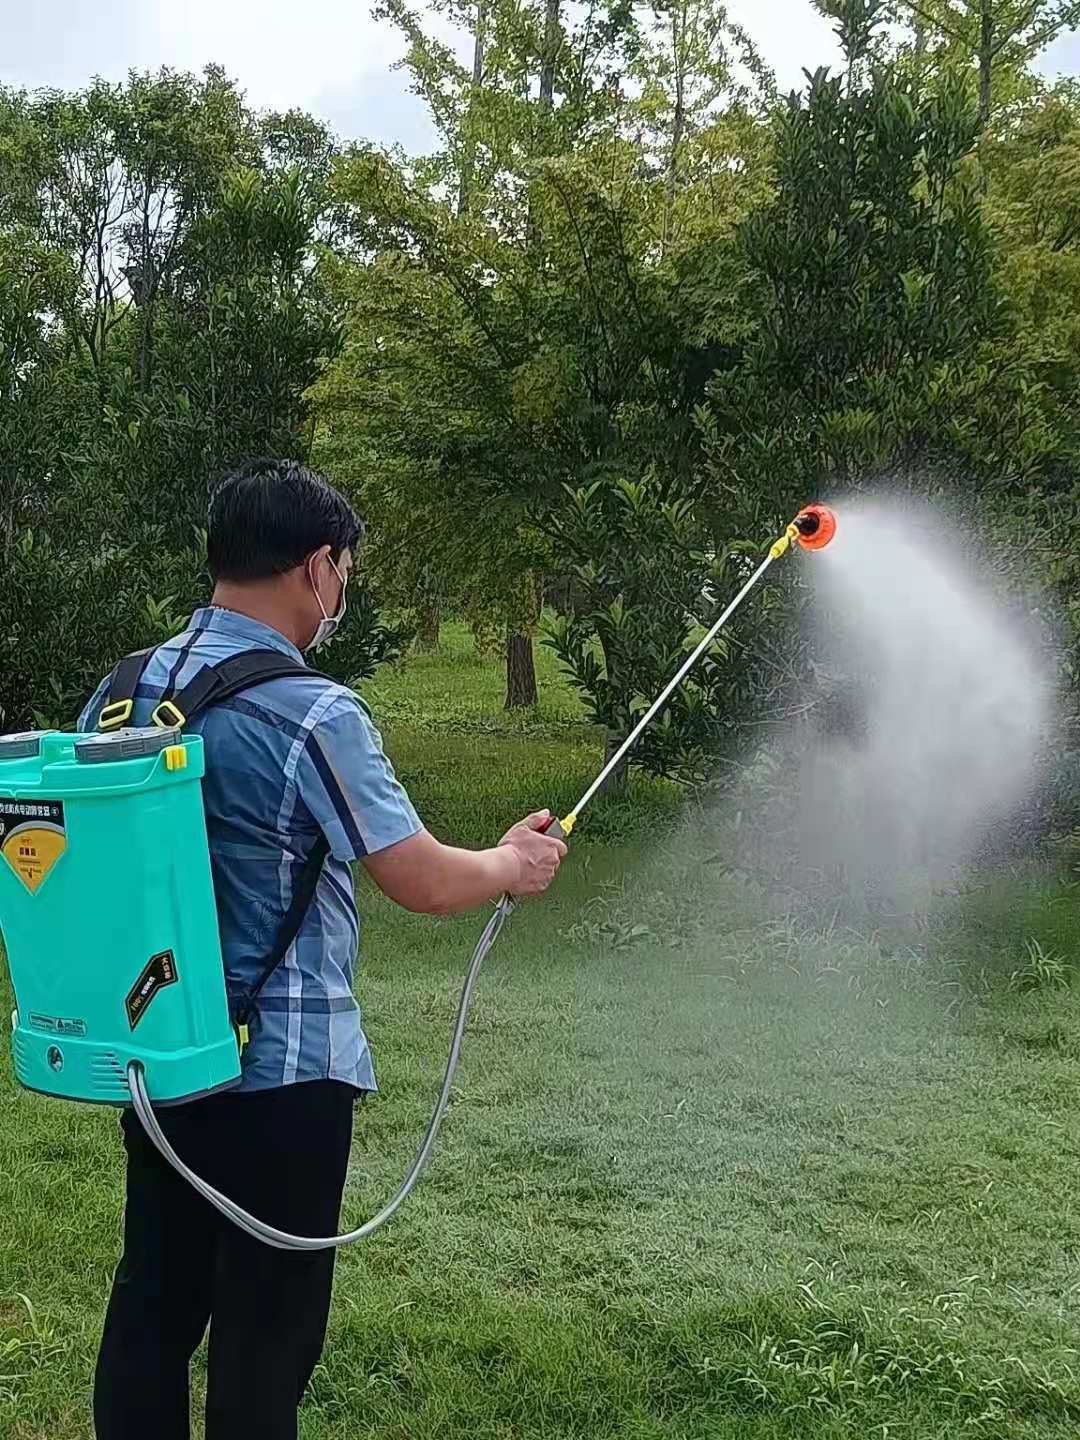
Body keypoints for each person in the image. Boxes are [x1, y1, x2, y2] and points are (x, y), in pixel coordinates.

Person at [82, 458, 566, 1440]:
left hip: (158, 1055)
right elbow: (418, 878)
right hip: (285, 1078)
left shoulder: (123, 691)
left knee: (154, 1304)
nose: (341, 588)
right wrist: (511, 862)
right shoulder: (315, 711)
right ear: (316, 568)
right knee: (269, 1331)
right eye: (342, 568)